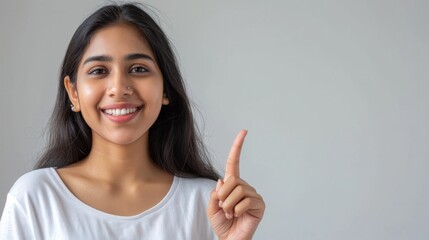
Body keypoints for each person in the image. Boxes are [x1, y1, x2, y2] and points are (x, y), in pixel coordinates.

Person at [0, 3, 265, 239]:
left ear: (165, 89)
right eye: (98, 71)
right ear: (74, 92)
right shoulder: (34, 199)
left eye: (138, 69)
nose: (119, 87)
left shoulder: (209, 204)